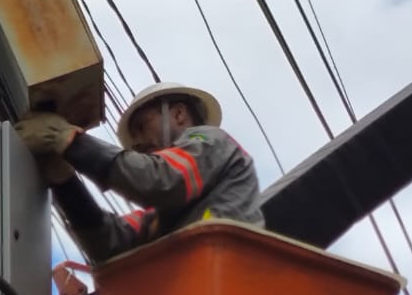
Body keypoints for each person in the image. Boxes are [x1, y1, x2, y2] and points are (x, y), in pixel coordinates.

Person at [15, 81, 263, 263]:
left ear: (178, 114)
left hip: (231, 279)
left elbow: (159, 180)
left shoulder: (212, 141)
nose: (138, 143)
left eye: (142, 126)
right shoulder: (162, 217)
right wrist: (65, 183)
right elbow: (110, 245)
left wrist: (67, 140)